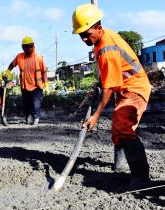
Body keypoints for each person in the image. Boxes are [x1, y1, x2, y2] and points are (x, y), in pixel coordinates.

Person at [73, 4, 151, 188]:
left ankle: (141, 177)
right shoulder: (101, 40)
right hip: (124, 88)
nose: (84, 38)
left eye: (87, 33)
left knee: (122, 122)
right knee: (119, 127)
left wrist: (95, 116)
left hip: (135, 87)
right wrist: (100, 83)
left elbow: (109, 88)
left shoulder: (106, 47)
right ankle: (120, 167)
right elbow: (110, 75)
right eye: (80, 35)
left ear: (98, 28)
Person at [6, 36, 47, 125]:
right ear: (22, 47)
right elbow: (12, 65)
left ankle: (36, 119)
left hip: (37, 86)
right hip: (25, 86)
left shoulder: (38, 58)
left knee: (36, 103)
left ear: (33, 46)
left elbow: (44, 71)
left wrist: (45, 84)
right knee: (26, 104)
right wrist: (7, 72)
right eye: (25, 46)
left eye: (29, 46)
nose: (28, 48)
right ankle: (28, 117)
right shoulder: (19, 57)